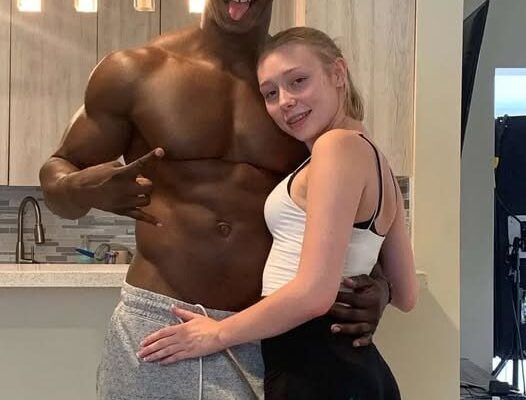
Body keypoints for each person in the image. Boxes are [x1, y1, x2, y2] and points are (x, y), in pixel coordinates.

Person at [39, 1, 393, 399]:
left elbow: (358, 203)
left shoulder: (298, 89)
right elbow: (57, 173)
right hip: (160, 324)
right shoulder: (135, 71)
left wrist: (381, 287)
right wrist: (80, 188)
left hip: (266, 332)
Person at [137, 27, 418, 400]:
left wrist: (216, 334)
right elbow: (406, 293)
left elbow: (315, 294)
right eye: (270, 93)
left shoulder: (335, 147)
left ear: (338, 73)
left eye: (298, 81)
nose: (285, 101)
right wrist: (379, 289)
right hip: (352, 370)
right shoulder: (376, 158)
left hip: (318, 372)